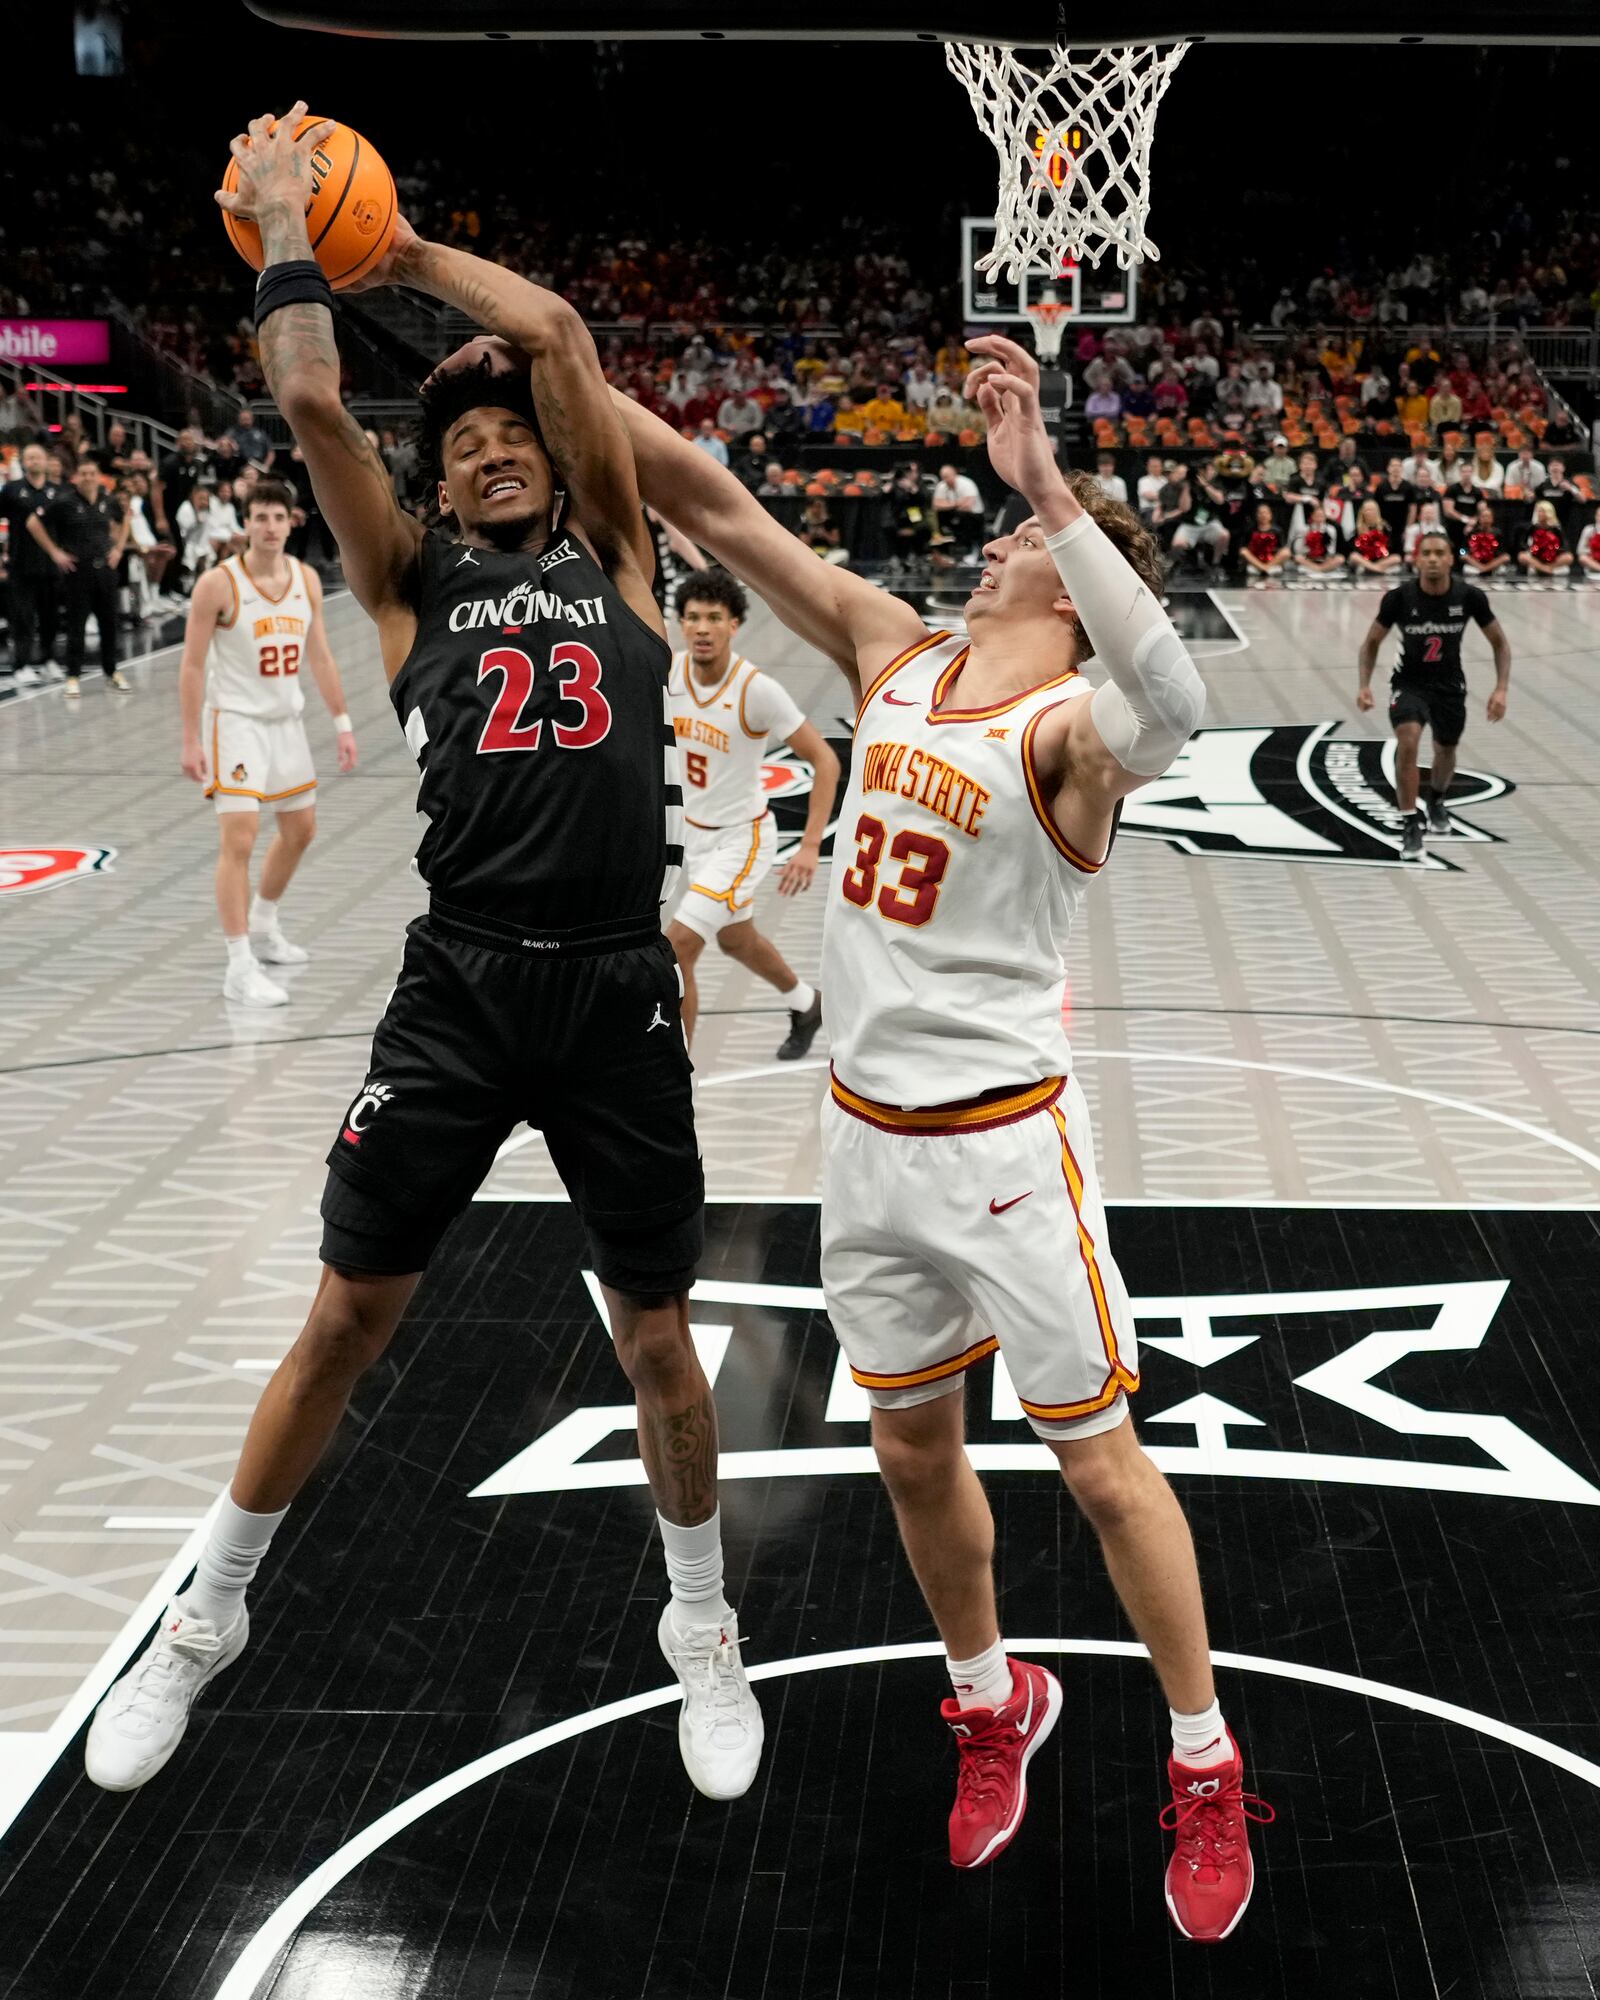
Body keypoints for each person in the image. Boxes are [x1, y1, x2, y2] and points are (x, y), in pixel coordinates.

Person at [87, 105, 761, 1808]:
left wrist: (397, 254)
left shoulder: (620, 550)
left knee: (662, 1342)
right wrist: (290, 235)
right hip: (459, 987)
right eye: (459, 443)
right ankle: (210, 1615)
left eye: (510, 433)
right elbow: (312, 400)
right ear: (436, 477)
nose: (489, 449)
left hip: (614, 988)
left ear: (555, 452)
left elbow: (559, 340)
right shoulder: (401, 584)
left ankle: (703, 1629)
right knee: (341, 1319)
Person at [609, 332, 1272, 1942]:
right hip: (864, 1143)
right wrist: (572, 376)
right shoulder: (895, 652)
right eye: (1008, 528)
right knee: (909, 1446)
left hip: (1004, 1153)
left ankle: (1204, 1762)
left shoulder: (1068, 735)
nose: (996, 545)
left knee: (1104, 1471)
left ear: (1074, 583)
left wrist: (1050, 482)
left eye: (1028, 545)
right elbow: (719, 501)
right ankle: (993, 1704)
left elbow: (1177, 695)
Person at [176, 478, 358, 1005]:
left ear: (292, 522)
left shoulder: (305, 579)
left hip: (286, 721)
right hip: (234, 722)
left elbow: (320, 656)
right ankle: (238, 965)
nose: (270, 527)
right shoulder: (218, 584)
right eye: (260, 517)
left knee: (301, 830)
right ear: (246, 522)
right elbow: (190, 665)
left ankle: (264, 920)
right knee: (239, 838)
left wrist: (342, 722)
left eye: (279, 517)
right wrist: (190, 739)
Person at [664, 569, 838, 1059]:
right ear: (680, 624)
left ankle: (678, 1086)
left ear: (735, 625)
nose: (702, 628)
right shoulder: (670, 673)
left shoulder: (755, 690)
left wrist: (808, 846)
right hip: (693, 836)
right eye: (693, 617)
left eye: (714, 618)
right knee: (735, 940)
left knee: (678, 948)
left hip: (741, 840)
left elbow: (825, 760)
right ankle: (808, 1004)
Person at [1356, 530, 1510, 861]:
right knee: (1408, 741)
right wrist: (1365, 685)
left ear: (1451, 558)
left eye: (1440, 553)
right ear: (1416, 558)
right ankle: (1410, 822)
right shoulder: (1399, 598)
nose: (1433, 559)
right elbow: (1370, 643)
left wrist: (1501, 688)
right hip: (1408, 683)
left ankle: (1437, 800)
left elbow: (1500, 643)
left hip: (1449, 685)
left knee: (1445, 749)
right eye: (1426, 553)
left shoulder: (1469, 597)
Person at [28, 453, 130, 698]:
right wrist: (55, 552)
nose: (88, 478)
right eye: (83, 474)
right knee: (77, 626)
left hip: (105, 570)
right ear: (76, 478)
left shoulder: (108, 500)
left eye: (92, 473)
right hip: (77, 572)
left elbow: (125, 519)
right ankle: (73, 676)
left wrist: (118, 548)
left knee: (109, 624)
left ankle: (112, 672)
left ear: (99, 477)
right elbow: (33, 522)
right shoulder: (64, 502)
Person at [0, 442, 62, 683]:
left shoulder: (57, 492)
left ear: (46, 462)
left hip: (49, 565)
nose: (34, 461)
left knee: (50, 618)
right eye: (30, 458)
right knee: (22, 617)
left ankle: (48, 661)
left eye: (38, 457)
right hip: (20, 564)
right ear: (24, 462)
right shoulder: (12, 490)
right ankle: (21, 665)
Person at [1516, 499, 1572, 580]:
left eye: (1541, 512)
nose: (1539, 514)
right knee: (1522, 556)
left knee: (1569, 557)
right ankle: (1543, 568)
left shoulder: (1556, 529)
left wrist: (1555, 551)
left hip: (1553, 557)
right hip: (1536, 557)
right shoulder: (1533, 527)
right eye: (1538, 512)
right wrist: (1531, 549)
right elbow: (1523, 543)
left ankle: (1548, 568)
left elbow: (1565, 545)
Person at [1349, 500, 1402, 576]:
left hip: (1381, 559)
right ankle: (1378, 569)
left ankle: (1371, 569)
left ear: (1377, 511)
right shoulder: (1358, 529)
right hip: (1364, 559)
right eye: (1367, 510)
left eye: (1371, 510)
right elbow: (1354, 549)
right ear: (1362, 512)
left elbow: (1390, 546)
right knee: (1353, 556)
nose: (1369, 513)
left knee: (1397, 558)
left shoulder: (1385, 528)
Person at [1292, 502, 1344, 577]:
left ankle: (1319, 569)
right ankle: (1320, 569)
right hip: (1309, 558)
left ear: (1325, 517)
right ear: (1312, 516)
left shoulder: (1331, 529)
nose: (1319, 518)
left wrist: (1328, 558)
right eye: (1317, 516)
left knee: (1340, 559)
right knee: (1298, 558)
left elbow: (1331, 548)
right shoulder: (1305, 529)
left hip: (1324, 559)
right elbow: (1299, 549)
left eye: (1321, 516)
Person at [1241, 502, 1290, 579]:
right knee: (1243, 551)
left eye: (1265, 513)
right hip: (1256, 560)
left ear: (1270, 515)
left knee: (1287, 552)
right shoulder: (1251, 530)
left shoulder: (1278, 531)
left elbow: (1282, 548)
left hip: (1271, 560)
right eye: (1260, 513)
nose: (1263, 515)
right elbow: (1245, 547)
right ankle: (1262, 568)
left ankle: (1266, 568)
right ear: (1257, 516)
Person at [1464, 501, 1511, 577]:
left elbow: (1503, 554)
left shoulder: (1498, 534)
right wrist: (1479, 565)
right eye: (1483, 516)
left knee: (1506, 557)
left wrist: (1486, 567)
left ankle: (1485, 569)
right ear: (1479, 519)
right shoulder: (1472, 533)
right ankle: (1483, 569)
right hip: (1476, 564)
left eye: (1488, 516)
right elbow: (1464, 552)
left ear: (1492, 519)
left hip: (1493, 564)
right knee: (1464, 556)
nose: (1486, 519)